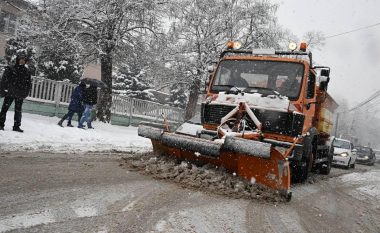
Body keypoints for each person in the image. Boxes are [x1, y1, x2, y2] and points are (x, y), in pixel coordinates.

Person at [0, 52, 32, 132]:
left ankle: (16, 126)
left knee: (18, 111)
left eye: (24, 60)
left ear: (25, 61)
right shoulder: (11, 68)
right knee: (4, 109)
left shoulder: (27, 71)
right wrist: (3, 90)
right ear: (18, 59)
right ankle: (0, 125)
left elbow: (28, 83)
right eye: (21, 59)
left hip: (20, 94)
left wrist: (26, 93)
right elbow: (4, 80)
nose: (22, 61)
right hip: (10, 92)